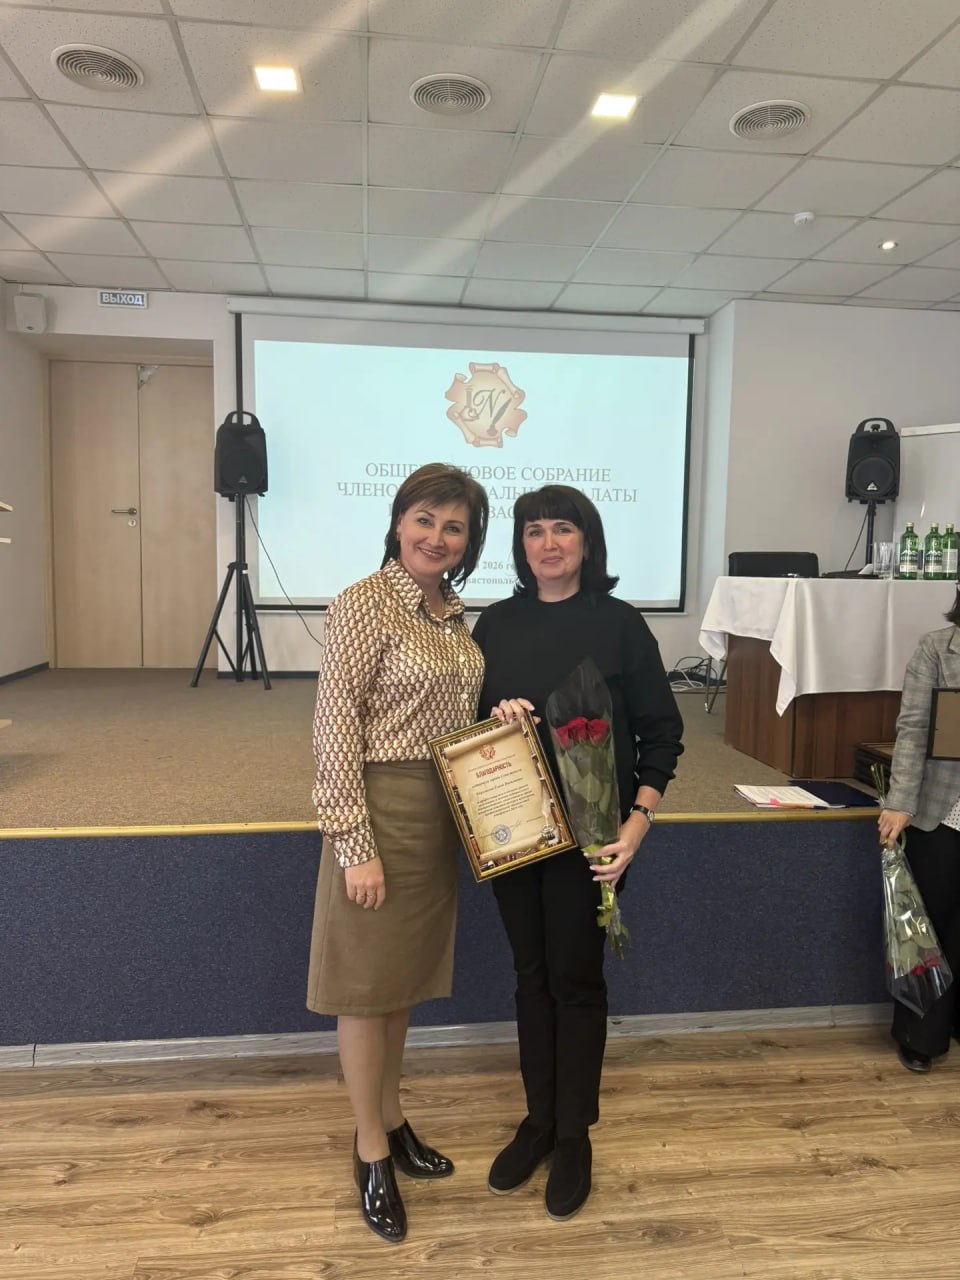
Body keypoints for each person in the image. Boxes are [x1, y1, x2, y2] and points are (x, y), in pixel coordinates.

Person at [470, 484, 683, 1221]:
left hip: (594, 839)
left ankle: (574, 1132)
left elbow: (662, 734)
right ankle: (538, 1120)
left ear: (587, 542)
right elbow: (467, 727)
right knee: (531, 977)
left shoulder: (620, 624)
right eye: (534, 531)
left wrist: (636, 825)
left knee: (576, 980)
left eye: (563, 529)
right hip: (515, 833)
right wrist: (495, 716)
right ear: (521, 546)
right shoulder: (496, 624)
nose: (548, 543)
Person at [307, 463, 488, 1243]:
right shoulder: (363, 602)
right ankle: (370, 1150)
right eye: (424, 519)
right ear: (398, 520)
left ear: (468, 541)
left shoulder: (453, 614)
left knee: (401, 981)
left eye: (454, 527)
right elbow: (334, 725)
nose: (436, 537)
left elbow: (451, 716)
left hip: (438, 814)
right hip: (378, 811)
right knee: (364, 986)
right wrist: (355, 843)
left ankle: (392, 1115)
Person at [877, 583, 960, 1074]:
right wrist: (900, 802)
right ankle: (920, 1037)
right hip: (941, 809)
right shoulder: (936, 648)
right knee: (928, 929)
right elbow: (911, 729)